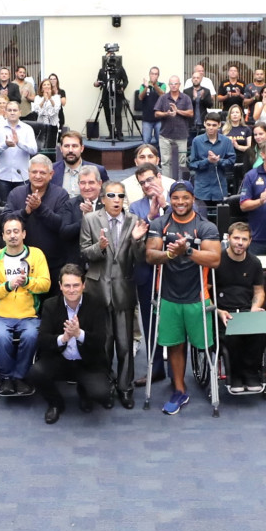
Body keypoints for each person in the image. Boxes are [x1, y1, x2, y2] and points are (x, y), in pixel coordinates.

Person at [146, 184, 221, 415]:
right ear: (170, 199)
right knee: (175, 346)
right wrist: (170, 254)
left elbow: (215, 259)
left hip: (197, 297)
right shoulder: (160, 224)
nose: (180, 202)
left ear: (193, 198)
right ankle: (179, 389)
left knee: (205, 346)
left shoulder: (205, 226)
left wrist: (187, 251)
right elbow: (150, 255)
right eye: (175, 198)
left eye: (185, 198)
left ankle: (213, 387)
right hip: (169, 296)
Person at [80, 174, 146, 405]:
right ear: (103, 198)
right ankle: (105, 386)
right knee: (104, 344)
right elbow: (85, 252)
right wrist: (100, 247)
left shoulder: (134, 220)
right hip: (98, 290)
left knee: (125, 344)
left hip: (124, 289)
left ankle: (125, 387)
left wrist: (138, 241)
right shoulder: (90, 219)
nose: (117, 200)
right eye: (112, 195)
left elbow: (140, 257)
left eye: (121, 196)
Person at [31, 264, 113, 423]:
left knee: (101, 393)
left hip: (88, 362)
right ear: (60, 286)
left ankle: (84, 391)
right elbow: (42, 340)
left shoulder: (96, 304)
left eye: (76, 285)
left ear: (84, 285)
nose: (72, 289)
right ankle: (56, 404)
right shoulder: (50, 305)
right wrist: (64, 338)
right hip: (59, 360)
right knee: (36, 372)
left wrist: (79, 334)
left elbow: (101, 341)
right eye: (67, 285)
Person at [0, 215, 50, 397]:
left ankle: (20, 377)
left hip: (28, 314)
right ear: (3, 237)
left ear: (23, 234)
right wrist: (8, 285)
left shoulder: (36, 254)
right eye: (8, 232)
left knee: (31, 335)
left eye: (16, 231)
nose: (12, 235)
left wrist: (27, 282)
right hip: (0, 314)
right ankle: (6, 377)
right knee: (1, 337)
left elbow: (45, 285)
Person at [3, 153, 81, 276]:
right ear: (28, 173)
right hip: (22, 263)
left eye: (43, 173)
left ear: (51, 175)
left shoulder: (61, 194)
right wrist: (26, 211)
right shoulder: (16, 193)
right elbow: (4, 220)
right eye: (34, 172)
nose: (37, 176)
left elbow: (61, 225)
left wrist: (40, 208)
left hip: (54, 263)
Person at [213, 221, 266, 385]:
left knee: (260, 335)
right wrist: (218, 311)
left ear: (250, 241)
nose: (240, 242)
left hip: (245, 311)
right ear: (229, 238)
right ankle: (235, 375)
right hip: (223, 312)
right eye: (236, 238)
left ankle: (251, 374)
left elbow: (259, 291)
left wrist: (255, 307)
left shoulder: (254, 263)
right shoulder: (217, 261)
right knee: (234, 336)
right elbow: (205, 291)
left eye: (244, 239)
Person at [0, 100, 37, 191]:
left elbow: (34, 150)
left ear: (20, 113)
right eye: (9, 110)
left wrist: (19, 143)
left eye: (15, 110)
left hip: (22, 176)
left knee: (22, 204)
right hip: (3, 177)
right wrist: (5, 145)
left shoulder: (27, 129)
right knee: (4, 205)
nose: (12, 113)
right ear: (5, 113)